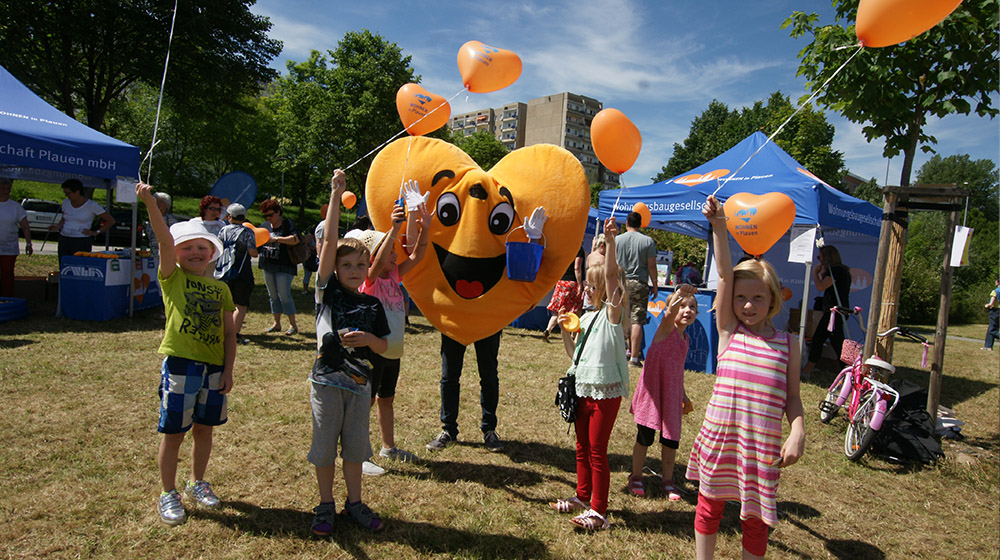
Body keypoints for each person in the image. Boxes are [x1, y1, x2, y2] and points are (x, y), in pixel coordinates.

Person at [688, 195, 804, 559]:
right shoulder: (728, 332)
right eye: (740, 298)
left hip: (761, 448)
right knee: (709, 508)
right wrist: (720, 225)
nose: (748, 305)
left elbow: (793, 398)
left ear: (773, 300)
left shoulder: (789, 344)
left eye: (757, 297)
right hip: (722, 439)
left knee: (755, 521)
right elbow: (724, 273)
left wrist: (798, 431)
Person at [136, 182, 235, 527]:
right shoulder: (171, 278)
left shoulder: (220, 288)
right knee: (174, 432)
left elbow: (228, 333)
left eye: (202, 247)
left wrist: (228, 369)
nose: (195, 252)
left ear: (212, 253)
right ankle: (168, 492)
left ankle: (197, 482)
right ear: (176, 253)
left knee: (204, 429)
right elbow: (163, 239)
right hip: (181, 365)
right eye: (188, 247)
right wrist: (150, 203)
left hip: (213, 368)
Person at [308, 170, 389, 535]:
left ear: (368, 268)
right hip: (326, 385)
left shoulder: (373, 306)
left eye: (360, 265)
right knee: (324, 450)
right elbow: (327, 246)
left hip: (360, 388)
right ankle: (326, 505)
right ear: (335, 270)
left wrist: (370, 342)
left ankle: (353, 504)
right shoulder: (327, 293)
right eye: (346, 265)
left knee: (356, 451)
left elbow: (386, 345)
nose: (354, 271)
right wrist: (336, 195)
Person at [548, 216, 630, 532]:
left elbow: (611, 274)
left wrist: (610, 241)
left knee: (597, 450)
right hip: (583, 388)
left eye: (593, 287)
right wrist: (565, 327)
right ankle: (583, 497)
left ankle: (599, 510)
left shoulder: (612, 314)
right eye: (588, 286)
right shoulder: (589, 317)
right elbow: (574, 356)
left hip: (604, 392)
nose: (587, 291)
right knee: (581, 447)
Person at [350, 187, 431, 475]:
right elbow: (378, 261)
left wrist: (425, 227)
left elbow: (419, 254)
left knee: (386, 398)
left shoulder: (395, 276)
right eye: (390, 253)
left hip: (392, 352)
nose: (397, 257)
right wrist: (394, 229)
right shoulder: (368, 280)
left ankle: (388, 447)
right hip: (372, 352)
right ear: (375, 257)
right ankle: (358, 455)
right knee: (365, 402)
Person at [628, 282, 697, 501]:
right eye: (682, 306)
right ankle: (636, 476)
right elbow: (669, 314)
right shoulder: (665, 330)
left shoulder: (686, 340)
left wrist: (683, 394)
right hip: (653, 395)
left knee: (670, 441)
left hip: (672, 396)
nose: (687, 310)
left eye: (692, 307)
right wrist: (679, 294)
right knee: (644, 437)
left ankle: (668, 480)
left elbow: (678, 370)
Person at [801, 245, 851, 379]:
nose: (819, 260)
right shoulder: (841, 270)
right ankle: (847, 371)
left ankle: (808, 369)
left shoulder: (836, 270)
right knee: (835, 341)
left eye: (820, 257)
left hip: (835, 312)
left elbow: (820, 286)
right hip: (838, 311)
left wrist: (815, 273)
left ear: (827, 257)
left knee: (821, 339)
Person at [615, 211, 658, 367]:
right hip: (639, 283)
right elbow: (652, 266)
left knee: (619, 318)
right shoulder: (648, 241)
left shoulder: (617, 240)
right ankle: (634, 358)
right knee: (637, 320)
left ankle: (617, 353)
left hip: (620, 282)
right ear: (641, 224)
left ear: (627, 223)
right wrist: (655, 284)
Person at [215, 203, 259, 345]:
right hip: (242, 271)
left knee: (226, 303)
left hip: (224, 270)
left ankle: (222, 331)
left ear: (229, 216)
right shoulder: (247, 232)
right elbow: (252, 252)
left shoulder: (223, 230)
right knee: (241, 304)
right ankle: (234, 335)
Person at [258, 199, 300, 336]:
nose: (269, 218)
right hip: (268, 264)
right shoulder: (264, 226)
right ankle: (276, 324)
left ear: (278, 212)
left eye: (271, 215)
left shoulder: (288, 224)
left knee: (284, 295)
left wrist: (276, 239)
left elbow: (296, 239)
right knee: (273, 295)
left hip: (284, 265)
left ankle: (293, 325)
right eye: (266, 216)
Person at [50, 178, 115, 265]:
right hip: (64, 239)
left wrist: (96, 232)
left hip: (81, 240)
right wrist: (58, 227)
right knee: (64, 265)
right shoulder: (65, 202)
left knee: (79, 266)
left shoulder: (91, 205)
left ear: (77, 192)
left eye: (68, 193)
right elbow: (64, 218)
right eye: (65, 193)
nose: (67, 196)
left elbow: (110, 220)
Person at [542, 247, 585, 342]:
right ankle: (573, 336)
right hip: (572, 283)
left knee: (558, 310)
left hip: (561, 282)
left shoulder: (565, 247)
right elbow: (577, 268)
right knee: (576, 309)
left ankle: (547, 330)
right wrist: (579, 285)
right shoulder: (578, 249)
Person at [0, 177, 32, 297]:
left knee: (7, 274)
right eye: (3, 188)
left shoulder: (16, 207)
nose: (5, 190)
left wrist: (29, 244)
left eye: (8, 188)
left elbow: (25, 226)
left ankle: (7, 299)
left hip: (9, 247)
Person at [983, 278, 1000, 351]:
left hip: (995, 311)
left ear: (998, 282)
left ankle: (988, 346)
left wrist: (988, 305)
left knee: (992, 329)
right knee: (991, 327)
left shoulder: (995, 291)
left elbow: (992, 302)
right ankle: (988, 346)